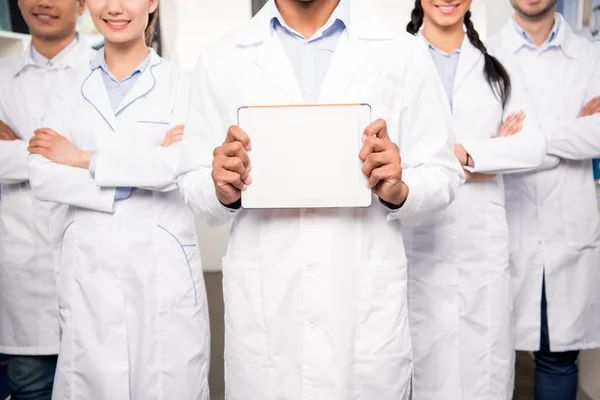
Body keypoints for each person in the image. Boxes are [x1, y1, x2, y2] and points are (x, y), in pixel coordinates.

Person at [177, 0, 464, 398]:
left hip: (362, 304)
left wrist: (400, 189)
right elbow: (192, 182)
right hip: (269, 309)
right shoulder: (222, 56)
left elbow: (444, 173)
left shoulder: (400, 52)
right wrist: (220, 188)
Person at [27, 1, 210, 399]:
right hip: (88, 273)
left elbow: (177, 165)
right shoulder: (66, 84)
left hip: (163, 277)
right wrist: (142, 166)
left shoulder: (183, 83)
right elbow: (42, 175)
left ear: (152, 3)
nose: (114, 8)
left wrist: (79, 157)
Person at [403, 1, 549, 399]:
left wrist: (464, 154)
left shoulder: (496, 66)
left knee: (484, 372)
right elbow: (388, 154)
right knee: (418, 371)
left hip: (480, 249)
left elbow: (533, 147)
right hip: (416, 243)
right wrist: (490, 153)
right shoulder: (394, 59)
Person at [487, 1, 600, 399]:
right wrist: (573, 132)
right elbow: (473, 145)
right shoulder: (484, 52)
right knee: (488, 357)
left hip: (566, 232)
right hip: (505, 231)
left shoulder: (590, 54)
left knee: (558, 358)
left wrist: (520, 144)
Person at [0, 1, 93, 399]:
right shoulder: (3, 73)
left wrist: (18, 148)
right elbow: (100, 159)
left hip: (96, 272)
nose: (43, 2)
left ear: (83, 3)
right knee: (29, 390)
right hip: (25, 281)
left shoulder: (107, 67)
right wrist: (71, 155)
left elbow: (129, 158)